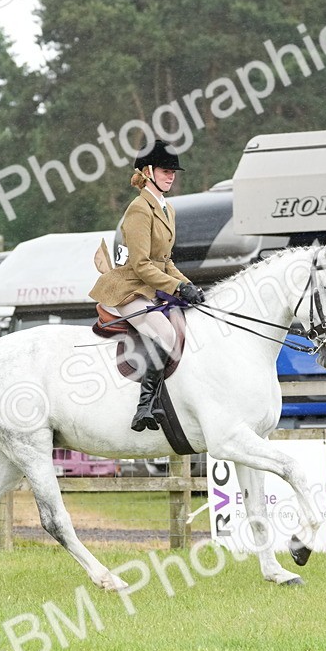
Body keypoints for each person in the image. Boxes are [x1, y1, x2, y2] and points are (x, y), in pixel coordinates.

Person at [89, 138, 205, 432]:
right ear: (148, 172)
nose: (171, 175)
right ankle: (145, 406)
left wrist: (190, 286)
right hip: (129, 287)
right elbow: (141, 264)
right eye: (166, 170)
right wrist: (177, 289)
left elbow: (166, 262)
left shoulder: (168, 209)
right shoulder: (138, 209)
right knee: (165, 333)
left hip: (151, 286)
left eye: (173, 171)